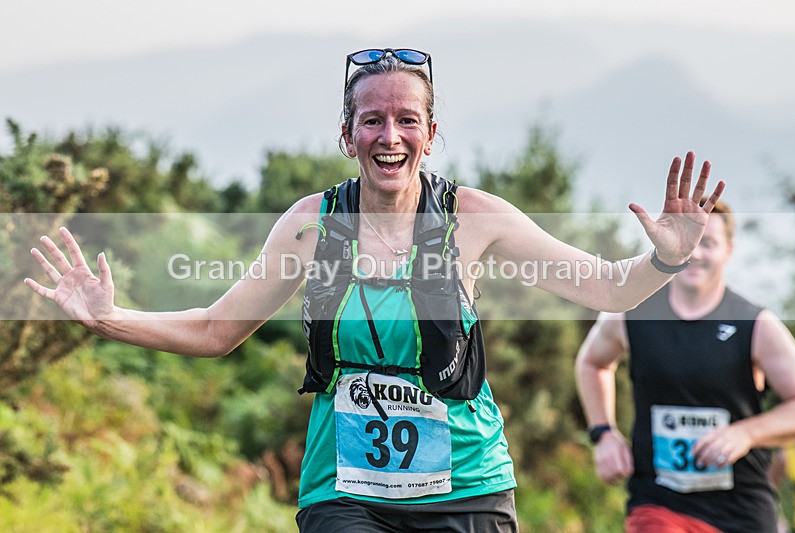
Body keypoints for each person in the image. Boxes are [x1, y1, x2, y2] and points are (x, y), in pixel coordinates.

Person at [26, 48, 724, 533]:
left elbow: (608, 287)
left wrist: (661, 261)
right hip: (345, 489)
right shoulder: (310, 226)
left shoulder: (474, 219)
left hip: (467, 483)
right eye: (372, 120)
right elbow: (216, 329)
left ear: (431, 133)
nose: (390, 136)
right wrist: (109, 317)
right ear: (348, 135)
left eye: (407, 120)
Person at [575, 199, 795, 533]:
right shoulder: (630, 313)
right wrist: (603, 433)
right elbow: (592, 362)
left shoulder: (757, 325)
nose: (696, 254)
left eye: (708, 244)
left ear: (729, 250)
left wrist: (745, 433)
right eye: (690, 244)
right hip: (658, 502)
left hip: (741, 510)